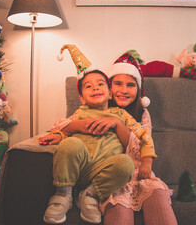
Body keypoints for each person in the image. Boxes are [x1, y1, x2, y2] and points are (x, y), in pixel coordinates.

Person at [40, 45, 157, 224]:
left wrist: (147, 159)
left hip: (104, 170)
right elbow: (65, 127)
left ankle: (89, 195)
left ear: (108, 92)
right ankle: (63, 194)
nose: (95, 88)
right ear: (81, 97)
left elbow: (142, 140)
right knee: (72, 145)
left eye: (100, 84)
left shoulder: (123, 115)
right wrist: (61, 134)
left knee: (125, 163)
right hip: (81, 164)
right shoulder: (81, 112)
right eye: (89, 86)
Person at [100, 52, 178, 225]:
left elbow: (142, 144)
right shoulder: (100, 110)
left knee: (157, 195)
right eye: (118, 83)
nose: (124, 90)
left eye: (131, 85)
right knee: (119, 210)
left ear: (139, 89)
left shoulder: (143, 114)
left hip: (141, 173)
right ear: (109, 87)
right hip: (114, 177)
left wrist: (118, 125)